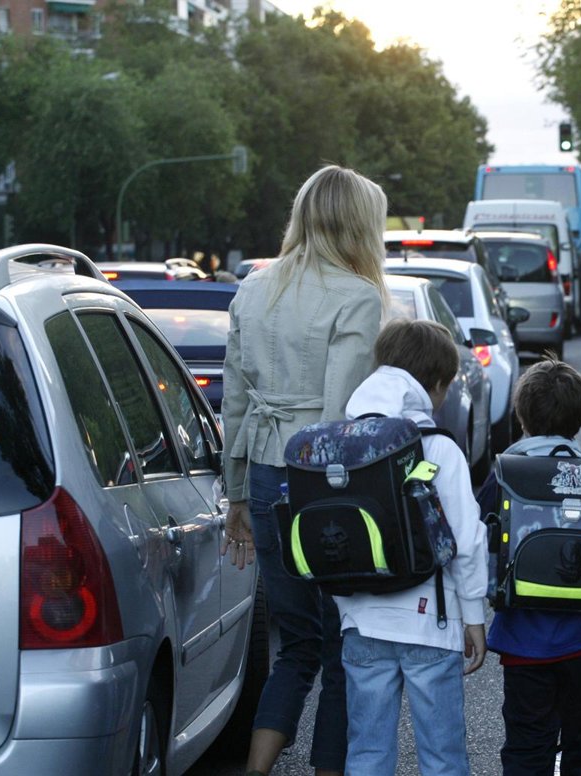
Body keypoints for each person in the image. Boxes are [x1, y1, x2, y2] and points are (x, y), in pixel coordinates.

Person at [220, 164, 389, 776]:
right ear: (359, 224)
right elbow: (340, 415)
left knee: (295, 644)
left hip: (266, 472)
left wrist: (237, 494)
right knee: (344, 644)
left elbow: (234, 401)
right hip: (325, 484)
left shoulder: (254, 288)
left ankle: (255, 770)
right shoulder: (356, 295)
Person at [339, 318, 489, 775]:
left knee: (367, 752)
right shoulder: (437, 448)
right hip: (430, 623)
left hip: (361, 620)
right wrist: (474, 616)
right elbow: (466, 540)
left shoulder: (343, 442)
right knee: (442, 758)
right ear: (436, 384)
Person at [476, 357, 581, 776]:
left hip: (524, 640)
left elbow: (478, 543)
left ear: (522, 415)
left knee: (526, 747)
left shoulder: (505, 475)